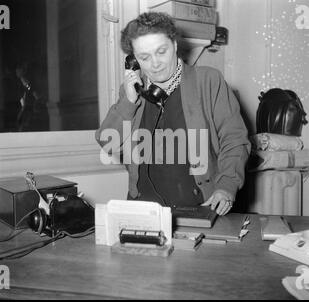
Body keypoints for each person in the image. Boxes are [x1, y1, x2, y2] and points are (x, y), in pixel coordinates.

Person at [95, 12, 251, 216]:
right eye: (144, 57)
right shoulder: (132, 91)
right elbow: (109, 143)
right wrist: (129, 101)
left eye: (161, 51)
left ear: (175, 46)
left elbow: (235, 139)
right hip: (143, 208)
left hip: (199, 205)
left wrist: (226, 186)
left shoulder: (208, 81)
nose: (155, 63)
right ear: (134, 60)